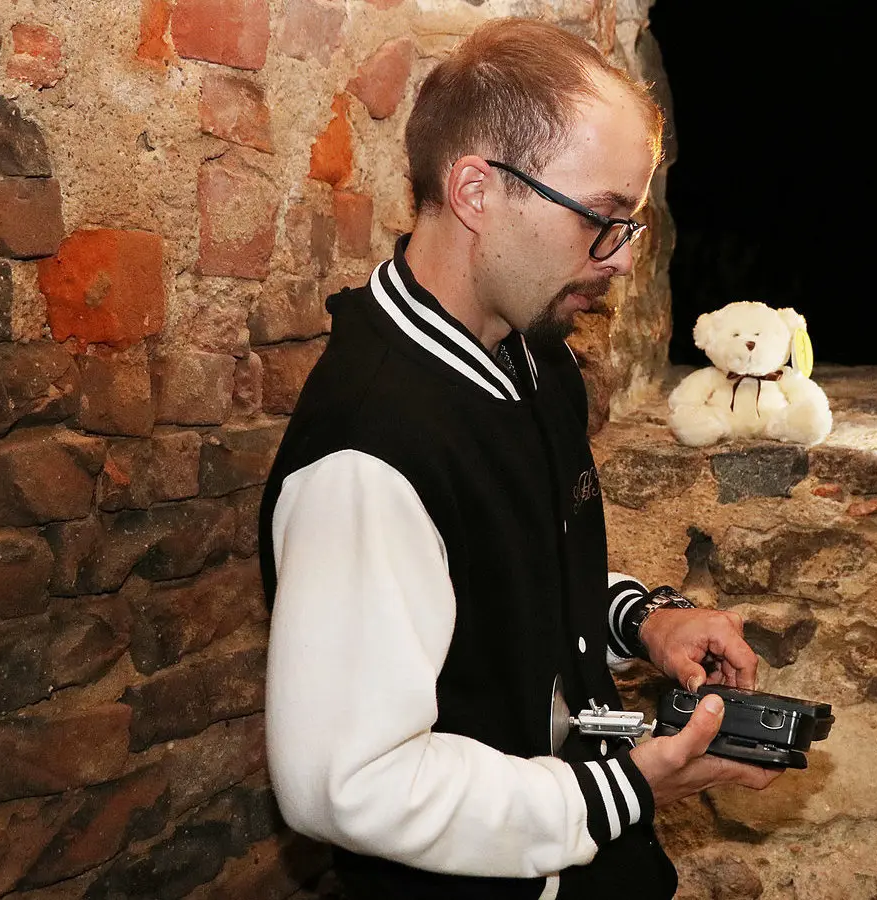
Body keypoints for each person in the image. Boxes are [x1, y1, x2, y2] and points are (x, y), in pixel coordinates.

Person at [258, 18, 780, 900]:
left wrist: (641, 622)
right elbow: (345, 785)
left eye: (632, 224)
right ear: (476, 190)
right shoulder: (370, 449)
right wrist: (623, 790)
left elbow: (504, 580)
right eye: (601, 220)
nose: (622, 259)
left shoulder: (532, 356)